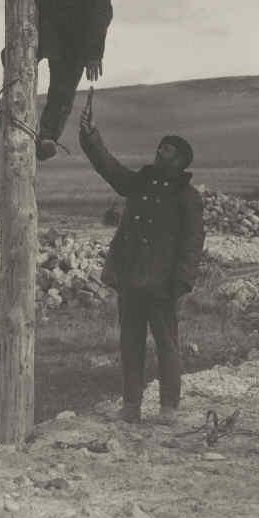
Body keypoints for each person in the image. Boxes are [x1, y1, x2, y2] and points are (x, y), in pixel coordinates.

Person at [79, 113, 205, 425]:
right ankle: (131, 406)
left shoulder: (188, 197)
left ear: (180, 160)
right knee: (130, 344)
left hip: (163, 285)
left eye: (167, 149)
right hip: (131, 279)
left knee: (167, 345)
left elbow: (192, 243)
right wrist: (92, 139)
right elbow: (110, 169)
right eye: (160, 147)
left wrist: (182, 281)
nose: (159, 151)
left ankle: (168, 408)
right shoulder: (140, 183)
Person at [0, 0, 112, 160]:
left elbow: (101, 13)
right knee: (12, 57)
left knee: (62, 91)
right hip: (45, 26)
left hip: (76, 40)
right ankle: (14, 111)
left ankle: (47, 138)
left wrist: (93, 54)